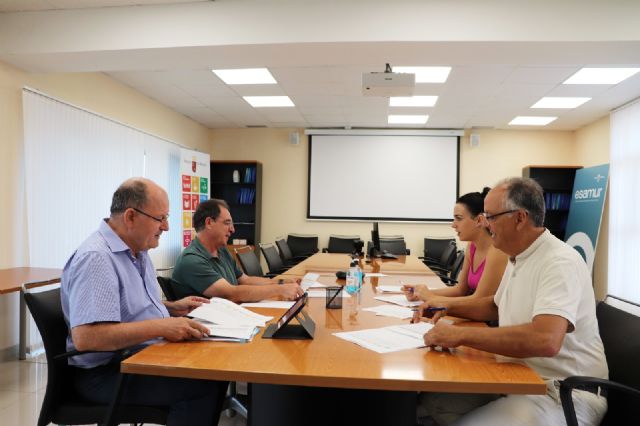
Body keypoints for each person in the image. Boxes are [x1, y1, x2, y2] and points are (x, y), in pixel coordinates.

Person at [415, 177, 608, 426]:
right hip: (519, 378)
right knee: (429, 405)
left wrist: (459, 335)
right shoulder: (518, 256)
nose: (484, 222)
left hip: (562, 394)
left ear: (520, 218)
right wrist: (445, 305)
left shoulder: (559, 262)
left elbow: (545, 339)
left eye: (491, 216)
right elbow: (494, 306)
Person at [61, 178, 228, 426]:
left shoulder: (138, 251)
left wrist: (170, 308)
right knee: (202, 385)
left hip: (138, 355)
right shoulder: (96, 259)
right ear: (130, 217)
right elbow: (88, 338)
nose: (167, 226)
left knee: (213, 367)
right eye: (160, 218)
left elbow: (129, 309)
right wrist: (162, 327)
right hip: (105, 373)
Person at [172, 199, 304, 302]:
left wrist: (281, 282)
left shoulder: (221, 251)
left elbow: (245, 280)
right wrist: (279, 290)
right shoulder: (192, 260)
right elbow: (231, 294)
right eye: (227, 223)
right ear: (209, 223)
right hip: (207, 330)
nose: (232, 229)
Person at [403, 188, 508, 304]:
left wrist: (431, 298)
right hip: (470, 312)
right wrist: (420, 294)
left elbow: (479, 301)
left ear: (479, 220)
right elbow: (460, 290)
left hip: (485, 320)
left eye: (459, 218)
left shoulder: (497, 252)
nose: (453, 225)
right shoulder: (472, 246)